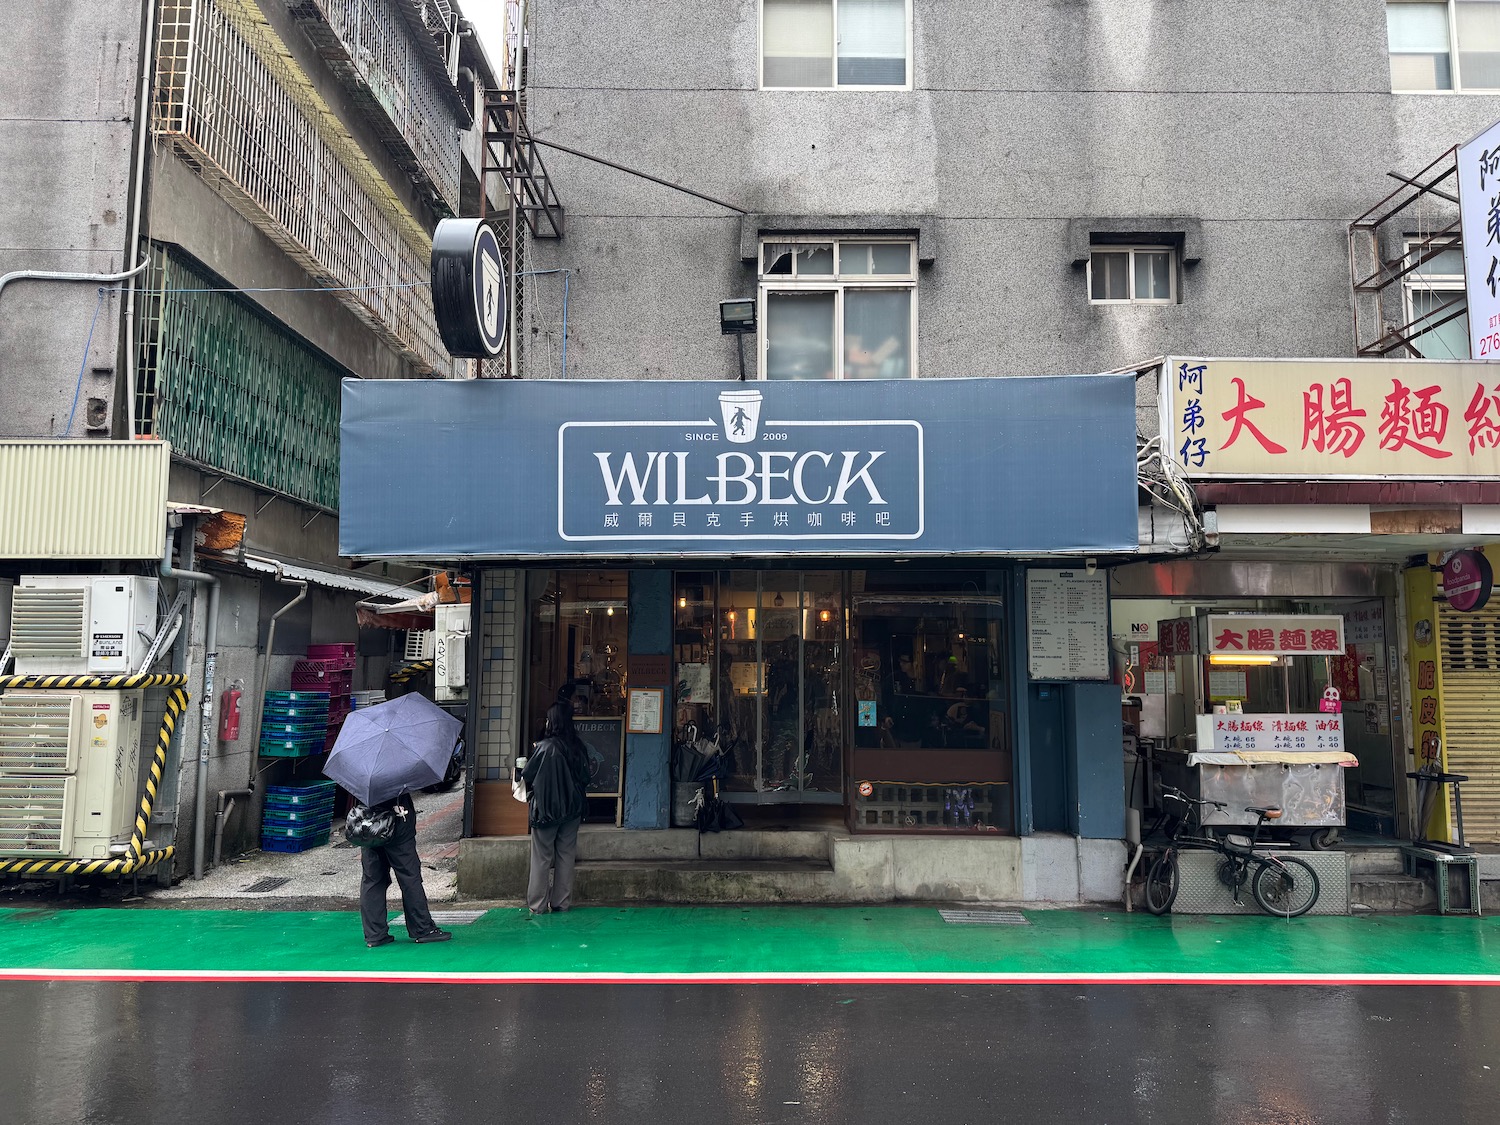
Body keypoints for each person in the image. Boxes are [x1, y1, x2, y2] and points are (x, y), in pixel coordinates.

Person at [521, 701, 590, 915]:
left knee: (541, 857)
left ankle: (537, 905)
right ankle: (561, 902)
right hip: (572, 809)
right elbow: (586, 777)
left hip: (546, 810)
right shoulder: (578, 747)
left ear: (553, 721)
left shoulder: (543, 747)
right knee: (566, 855)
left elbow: (527, 776)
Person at [360, 791, 451, 948]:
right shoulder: (398, 769)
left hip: (369, 824)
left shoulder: (360, 771)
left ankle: (374, 934)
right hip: (397, 823)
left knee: (372, 879)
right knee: (409, 877)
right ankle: (422, 929)